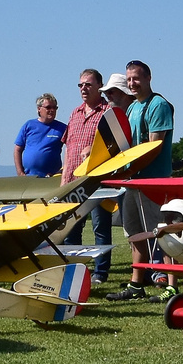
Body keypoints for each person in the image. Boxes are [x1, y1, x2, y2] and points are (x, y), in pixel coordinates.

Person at [109, 60, 175, 301]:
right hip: (132, 182)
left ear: (148, 78)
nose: (132, 83)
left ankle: (172, 286)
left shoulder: (159, 105)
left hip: (153, 181)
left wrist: (125, 172)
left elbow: (153, 146)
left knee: (161, 233)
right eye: (128, 80)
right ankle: (136, 285)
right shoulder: (132, 108)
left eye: (136, 78)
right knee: (134, 234)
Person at [61, 69, 119, 281]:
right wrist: (64, 181)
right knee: (71, 230)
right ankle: (75, 272)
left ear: (99, 87)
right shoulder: (74, 113)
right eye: (80, 85)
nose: (83, 89)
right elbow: (68, 150)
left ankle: (100, 272)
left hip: (98, 182)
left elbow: (116, 147)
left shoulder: (108, 112)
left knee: (100, 228)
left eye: (88, 85)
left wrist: (95, 150)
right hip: (74, 184)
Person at [13, 93, 67, 177]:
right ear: (39, 109)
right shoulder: (29, 125)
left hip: (51, 178)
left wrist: (63, 170)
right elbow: (17, 150)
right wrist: (20, 172)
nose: (52, 110)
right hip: (29, 177)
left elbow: (73, 148)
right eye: (48, 107)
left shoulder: (62, 128)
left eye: (54, 107)